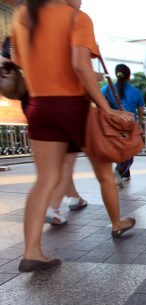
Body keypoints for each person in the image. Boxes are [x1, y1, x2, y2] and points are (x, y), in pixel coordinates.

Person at [12, 0, 136, 273]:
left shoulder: (23, 14)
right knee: (104, 173)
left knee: (44, 179)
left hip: (38, 106)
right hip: (72, 106)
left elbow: (20, 62)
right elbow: (80, 65)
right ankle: (116, 223)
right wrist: (107, 109)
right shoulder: (77, 17)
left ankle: (31, 251)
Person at [101, 63, 144, 186]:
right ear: (129, 77)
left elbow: (98, 101)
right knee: (130, 150)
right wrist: (139, 123)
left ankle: (125, 172)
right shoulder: (136, 92)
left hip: (113, 125)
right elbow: (141, 110)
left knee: (119, 147)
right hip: (129, 125)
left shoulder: (107, 88)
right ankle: (119, 171)